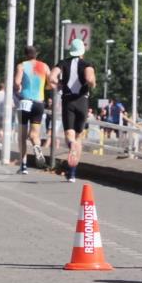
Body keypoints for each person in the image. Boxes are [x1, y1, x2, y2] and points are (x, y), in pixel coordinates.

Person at [50, 38, 97, 182]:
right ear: (82, 51)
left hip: (68, 101)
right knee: (78, 138)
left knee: (70, 136)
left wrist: (59, 85)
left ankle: (70, 146)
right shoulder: (87, 64)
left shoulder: (63, 63)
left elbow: (51, 77)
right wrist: (92, 84)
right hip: (82, 102)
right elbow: (90, 79)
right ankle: (72, 173)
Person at [14, 45, 50, 174]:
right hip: (39, 103)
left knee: (22, 136)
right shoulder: (44, 66)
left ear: (25, 54)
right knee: (34, 134)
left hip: (25, 102)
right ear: (37, 54)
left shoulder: (21, 66)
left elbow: (17, 82)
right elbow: (51, 82)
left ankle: (23, 166)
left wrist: (18, 88)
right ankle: (37, 147)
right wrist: (45, 87)